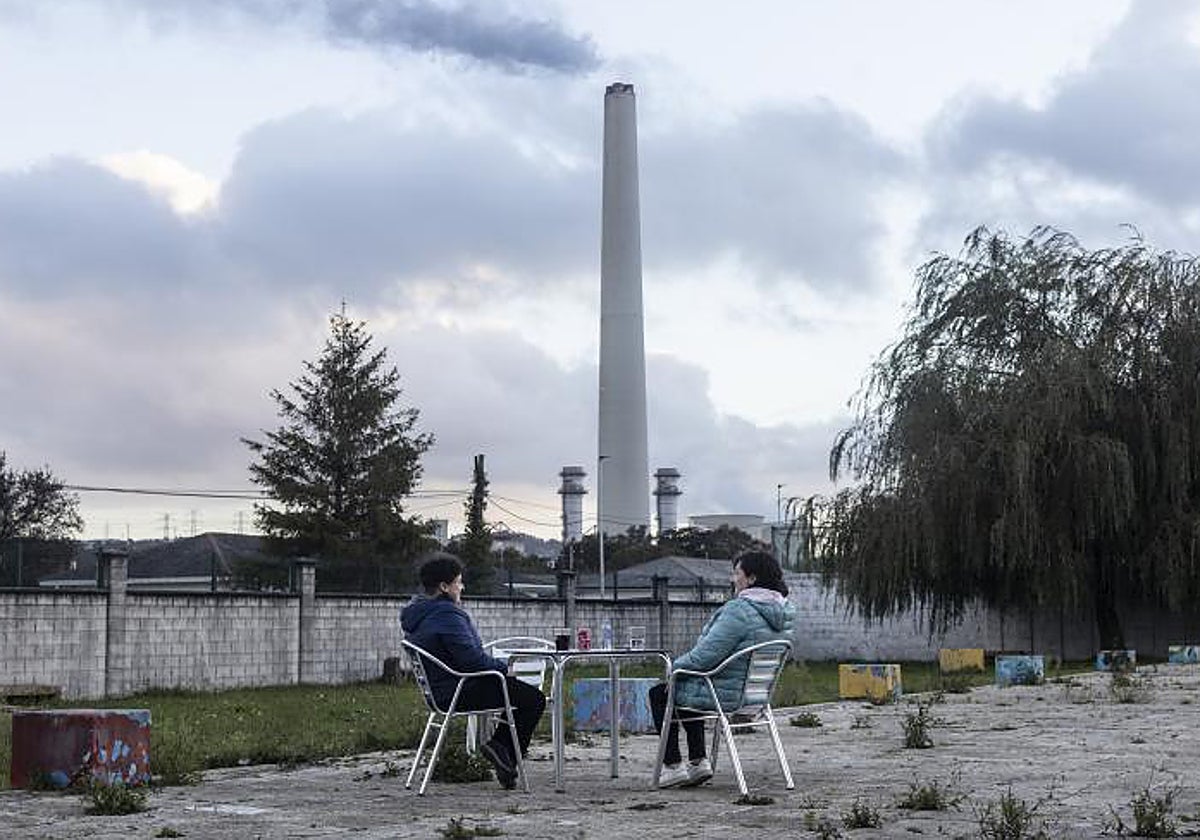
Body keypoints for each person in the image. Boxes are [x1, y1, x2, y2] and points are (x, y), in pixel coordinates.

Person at [650, 550, 796, 788]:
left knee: (663, 691)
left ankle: (673, 765)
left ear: (751, 579)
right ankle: (698, 763)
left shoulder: (739, 610)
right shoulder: (785, 611)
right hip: (757, 695)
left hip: (727, 693)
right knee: (687, 685)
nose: (732, 579)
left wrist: (673, 668)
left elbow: (705, 656)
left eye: (736, 573)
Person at [400, 552, 546, 790]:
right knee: (534, 699)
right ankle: (500, 748)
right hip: (460, 690)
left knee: (521, 695)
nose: (462, 587)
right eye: (458, 582)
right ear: (444, 587)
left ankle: (504, 759)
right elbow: (472, 660)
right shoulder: (446, 614)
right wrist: (505, 669)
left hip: (441, 692)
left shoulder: (418, 615)